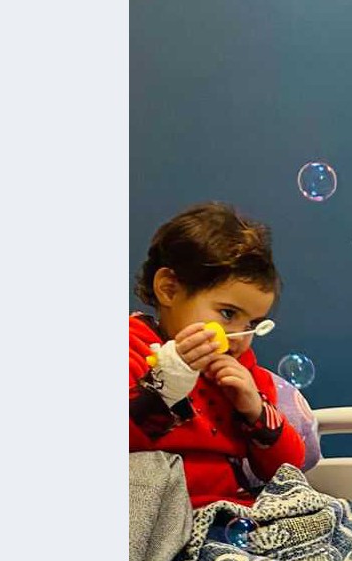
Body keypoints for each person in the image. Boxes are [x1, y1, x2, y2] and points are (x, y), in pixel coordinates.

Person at [129, 202, 315, 505]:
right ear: (169, 289)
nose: (241, 337)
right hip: (157, 513)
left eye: (252, 324)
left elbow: (287, 471)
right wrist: (166, 384)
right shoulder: (132, 346)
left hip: (230, 512)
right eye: (228, 313)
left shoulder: (243, 371)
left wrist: (255, 410)